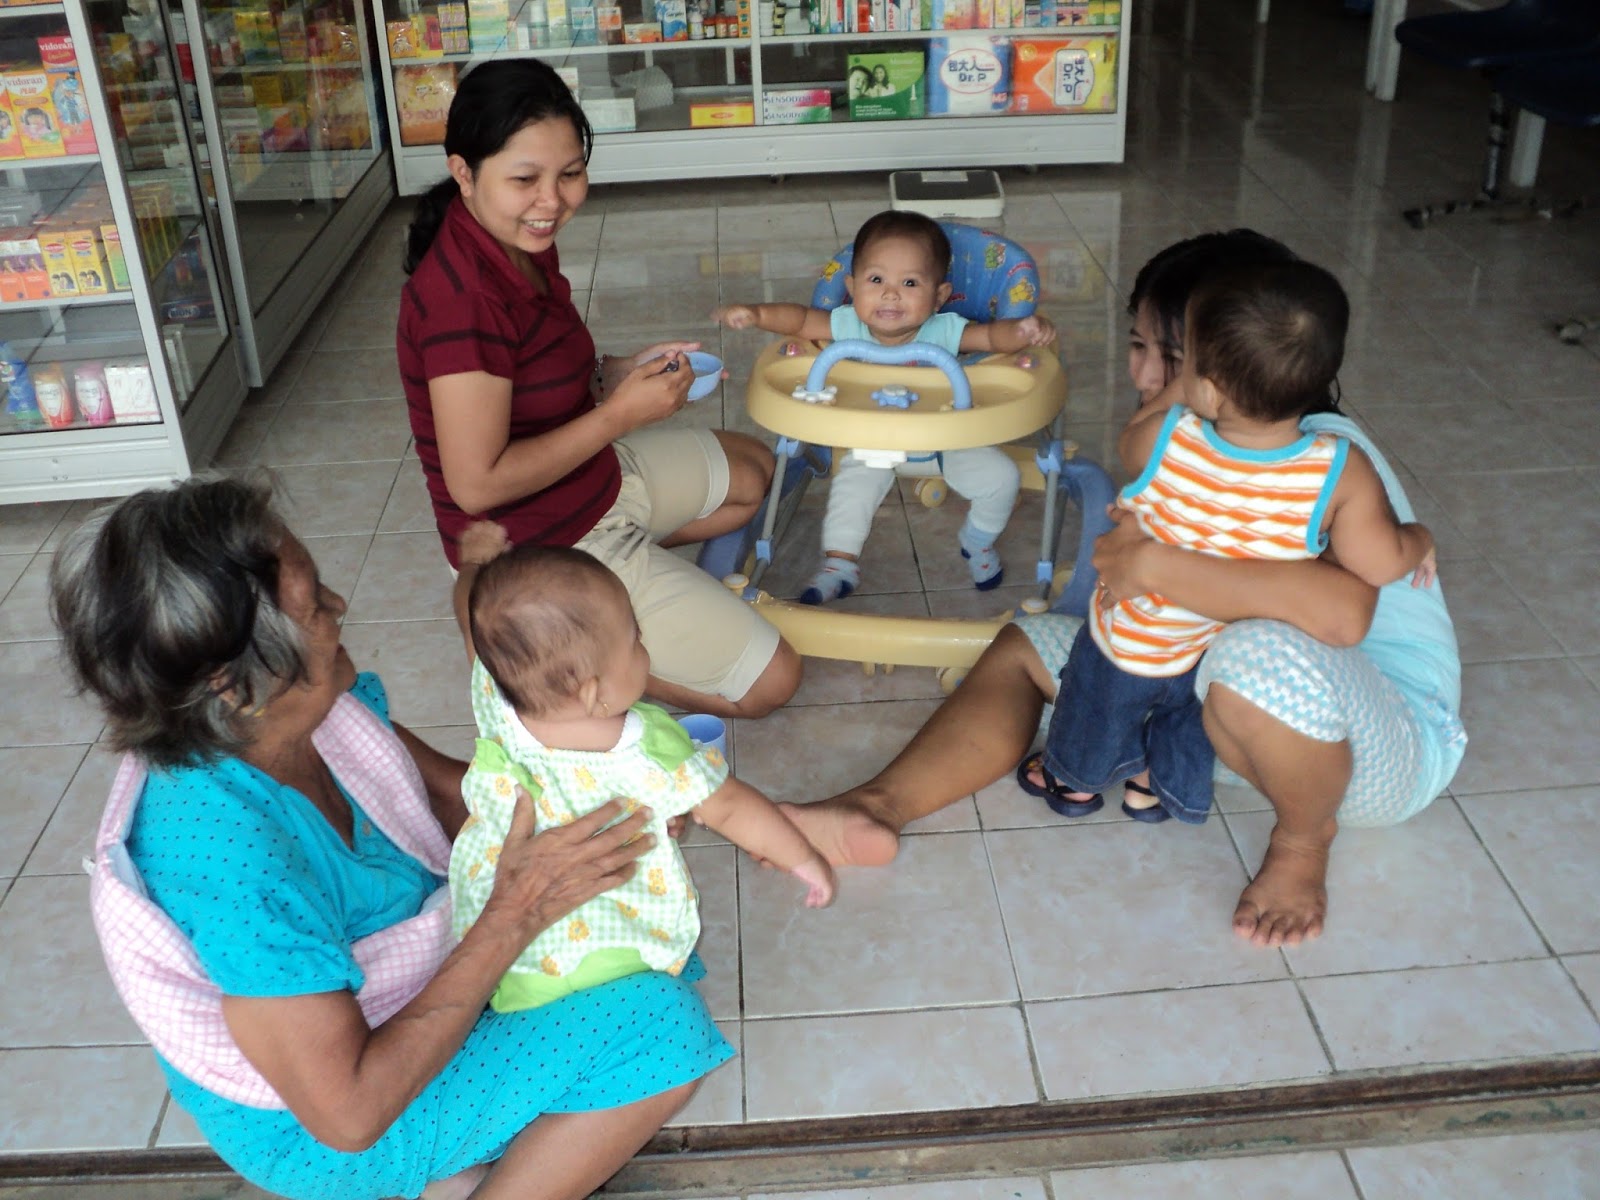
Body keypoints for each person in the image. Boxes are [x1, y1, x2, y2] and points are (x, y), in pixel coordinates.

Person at [778, 229, 1466, 949]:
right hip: (1232, 718)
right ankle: (876, 808)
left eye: (1165, 357)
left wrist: (1158, 568)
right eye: (1138, 348)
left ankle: (1301, 847)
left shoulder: (1329, 460)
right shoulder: (1195, 442)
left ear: (1217, 370)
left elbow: (1343, 610)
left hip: (1373, 744)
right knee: (1033, 647)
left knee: (1254, 652)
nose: (1141, 375)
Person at [56, 476, 732, 1200]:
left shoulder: (310, 718)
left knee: (631, 940)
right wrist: (513, 915)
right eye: (314, 606)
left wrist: (614, 802)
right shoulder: (223, 860)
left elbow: (468, 799)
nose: (339, 608)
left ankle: (454, 1168)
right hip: (319, 1132)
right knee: (658, 1026)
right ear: (233, 683)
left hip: (400, 1015)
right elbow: (348, 1116)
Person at [399, 58, 800, 720]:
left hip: (594, 480)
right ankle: (538, 658)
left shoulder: (521, 241)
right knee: (771, 682)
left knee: (753, 474)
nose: (551, 201)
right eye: (525, 179)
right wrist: (617, 415)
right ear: (464, 173)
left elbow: (542, 371)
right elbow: (476, 486)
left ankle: (624, 576)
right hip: (536, 542)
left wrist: (612, 374)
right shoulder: (460, 302)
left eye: (570, 174)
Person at [1027, 259, 1437, 826]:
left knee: (1096, 703)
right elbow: (1378, 561)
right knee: (1190, 719)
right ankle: (1154, 791)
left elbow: (1131, 445)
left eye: (1185, 360)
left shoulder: (1168, 437)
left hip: (1137, 638)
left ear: (1209, 388)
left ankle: (1073, 781)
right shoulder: (1341, 470)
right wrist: (1418, 539)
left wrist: (1183, 394)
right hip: (1219, 647)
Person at [448, 528, 834, 1014]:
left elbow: (469, 621)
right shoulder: (646, 749)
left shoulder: (494, 696)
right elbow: (732, 809)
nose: (644, 646)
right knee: (645, 1003)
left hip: (504, 957)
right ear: (593, 694)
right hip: (615, 954)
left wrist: (474, 567)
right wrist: (802, 859)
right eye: (634, 639)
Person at [712, 210, 1056, 604]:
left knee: (1001, 478)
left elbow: (994, 337)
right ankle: (839, 563)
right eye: (876, 280)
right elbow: (801, 319)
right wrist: (757, 314)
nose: (891, 293)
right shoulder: (847, 326)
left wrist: (1025, 329)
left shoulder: (945, 329)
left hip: (944, 441)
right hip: (872, 441)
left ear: (939, 295)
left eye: (910, 282)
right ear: (852, 286)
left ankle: (977, 540)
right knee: (851, 491)